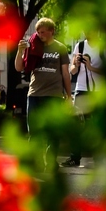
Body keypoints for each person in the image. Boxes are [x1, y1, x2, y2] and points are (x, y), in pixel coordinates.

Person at [15, 17, 72, 169]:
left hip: (54, 95)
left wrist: (68, 96)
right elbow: (19, 68)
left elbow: (65, 73)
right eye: (38, 32)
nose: (40, 35)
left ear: (51, 31)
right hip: (34, 94)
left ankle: (51, 161)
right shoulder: (33, 47)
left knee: (53, 133)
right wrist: (20, 51)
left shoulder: (60, 48)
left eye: (43, 32)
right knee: (34, 132)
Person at [60, 30, 104, 167]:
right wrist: (76, 65)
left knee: (97, 125)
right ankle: (75, 157)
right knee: (76, 124)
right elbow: (72, 71)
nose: (87, 32)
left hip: (98, 91)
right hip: (81, 89)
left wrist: (91, 67)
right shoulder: (79, 46)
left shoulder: (103, 47)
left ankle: (99, 158)